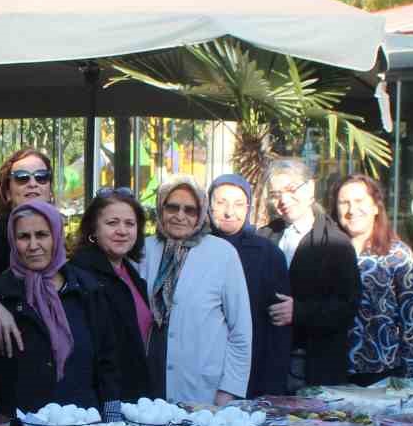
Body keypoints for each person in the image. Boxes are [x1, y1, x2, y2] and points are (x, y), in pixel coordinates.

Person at [0, 200, 119, 419]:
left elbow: (107, 360)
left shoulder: (87, 289)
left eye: (41, 235)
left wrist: (112, 419)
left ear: (56, 237)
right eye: (23, 237)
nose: (33, 245)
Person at [138, 177, 252, 404]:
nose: (180, 216)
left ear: (201, 214)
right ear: (161, 209)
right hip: (149, 381)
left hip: (202, 388)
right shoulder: (144, 249)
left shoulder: (222, 253)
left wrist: (228, 390)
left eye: (190, 210)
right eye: (172, 207)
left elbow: (240, 330)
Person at [257, 157, 361, 390]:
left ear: (310, 188)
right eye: (275, 194)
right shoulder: (264, 237)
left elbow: (348, 306)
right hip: (268, 363)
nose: (283, 200)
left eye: (291, 189)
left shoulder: (336, 243)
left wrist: (300, 311)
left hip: (313, 365)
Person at [0, 147, 56, 360]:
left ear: (50, 188)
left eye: (42, 177)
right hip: (2, 355)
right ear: (7, 192)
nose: (33, 183)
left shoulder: (58, 233)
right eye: (22, 178)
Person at [208, 173, 292, 397]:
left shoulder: (268, 254)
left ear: (248, 208)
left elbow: (279, 328)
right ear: (209, 205)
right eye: (221, 202)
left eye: (238, 204)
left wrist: (272, 387)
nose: (229, 212)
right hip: (203, 369)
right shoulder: (194, 248)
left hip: (255, 371)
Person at [67, 187, 154, 402]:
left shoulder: (131, 274)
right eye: (112, 223)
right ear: (93, 230)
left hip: (134, 399)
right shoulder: (80, 275)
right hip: (103, 405)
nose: (122, 231)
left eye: (129, 224)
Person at [337, 174, 413, 385]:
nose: (351, 209)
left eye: (359, 201)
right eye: (344, 202)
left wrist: (409, 377)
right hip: (331, 368)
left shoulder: (398, 255)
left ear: (376, 207)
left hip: (380, 372)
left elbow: (411, 322)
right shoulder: (326, 249)